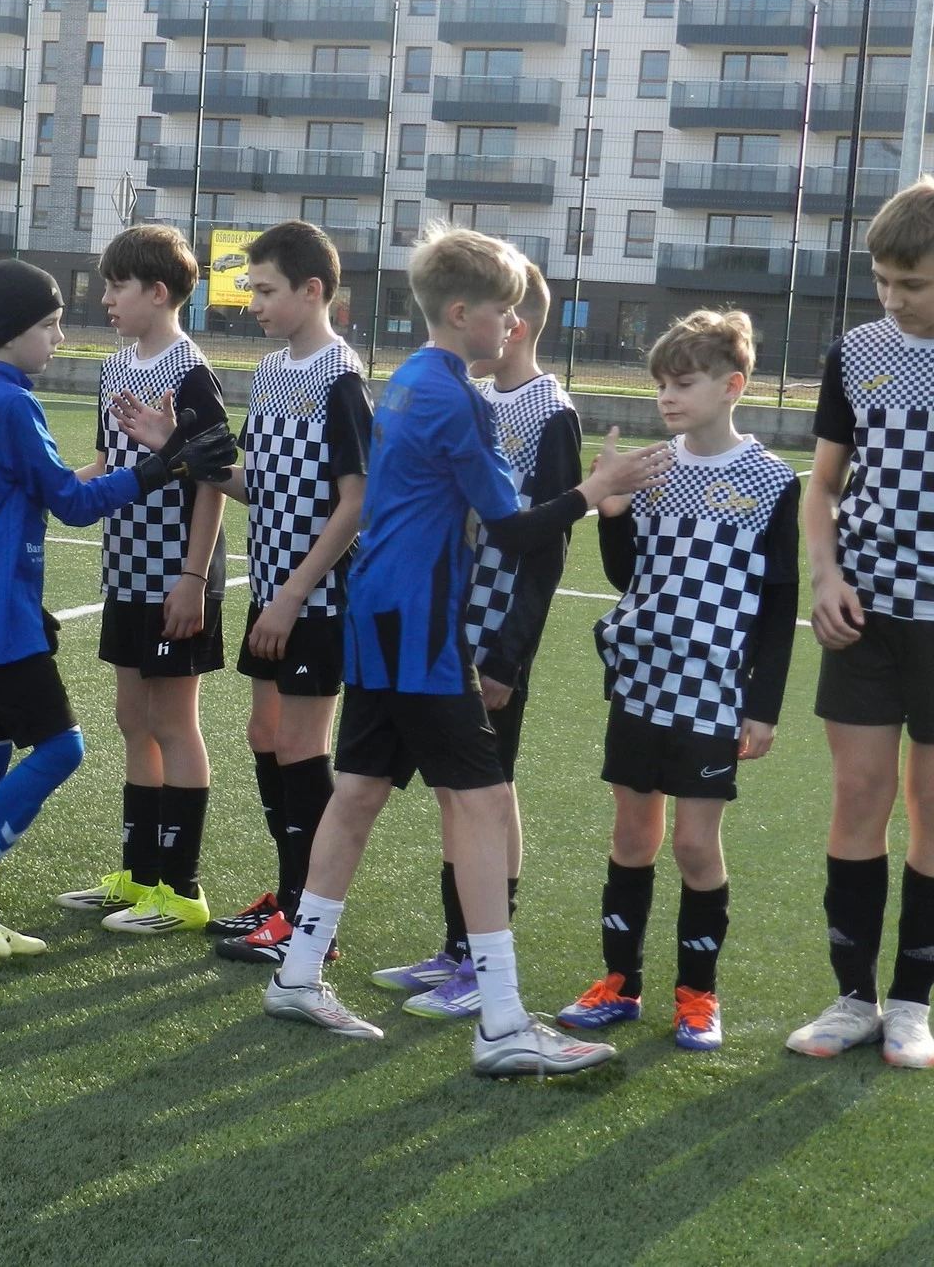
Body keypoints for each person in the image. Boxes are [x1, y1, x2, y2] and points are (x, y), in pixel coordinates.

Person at [259, 224, 669, 1078]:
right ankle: (504, 1020)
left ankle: (298, 973)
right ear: (460, 314)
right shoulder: (459, 398)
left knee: (358, 792)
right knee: (480, 805)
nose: (513, 325)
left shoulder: (409, 379)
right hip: (416, 624)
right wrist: (595, 490)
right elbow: (514, 529)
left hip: (378, 610)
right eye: (503, 311)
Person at [0, 259, 237, 957]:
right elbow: (69, 500)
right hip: (3, 605)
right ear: (13, 330)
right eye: (50, 324)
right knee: (63, 746)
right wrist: (156, 468)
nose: (61, 337)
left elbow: (43, 486)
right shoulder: (10, 402)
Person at [551, 310, 796, 1053]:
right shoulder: (651, 468)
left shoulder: (771, 481)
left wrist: (762, 706)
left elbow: (780, 603)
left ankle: (697, 995)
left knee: (693, 844)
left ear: (733, 386)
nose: (666, 397)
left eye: (682, 383)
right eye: (661, 384)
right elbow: (628, 575)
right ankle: (619, 983)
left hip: (714, 692)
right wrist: (612, 513)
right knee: (632, 833)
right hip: (641, 680)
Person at [369, 259, 579, 1017]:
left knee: (490, 790)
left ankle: (483, 961)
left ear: (513, 324)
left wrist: (508, 656)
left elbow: (545, 550)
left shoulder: (553, 412)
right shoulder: (473, 395)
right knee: (456, 795)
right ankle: (458, 949)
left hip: (495, 636)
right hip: (446, 621)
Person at [195, 221, 370, 966]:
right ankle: (289, 894)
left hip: (314, 600)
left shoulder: (341, 377)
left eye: (265, 290)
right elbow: (259, 486)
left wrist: (295, 594)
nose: (254, 303)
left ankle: (311, 922)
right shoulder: (270, 372)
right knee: (265, 736)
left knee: (299, 743)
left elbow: (357, 503)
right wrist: (180, 454)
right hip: (272, 590)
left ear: (312, 289)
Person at [789, 179, 934, 1069]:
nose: (892, 298)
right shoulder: (857, 352)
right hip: (865, 614)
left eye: (911, 284)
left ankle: (913, 1003)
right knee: (859, 797)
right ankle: (853, 998)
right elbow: (822, 487)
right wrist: (827, 574)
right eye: (882, 280)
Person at [56, 224, 227, 935]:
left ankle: (181, 890)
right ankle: (140, 874)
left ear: (158, 292)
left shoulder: (191, 373)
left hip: (176, 575)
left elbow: (213, 480)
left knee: (172, 723)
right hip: (125, 570)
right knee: (133, 718)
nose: (106, 299)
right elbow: (106, 463)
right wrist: (48, 486)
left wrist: (193, 576)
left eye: (116, 286)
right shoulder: (113, 367)